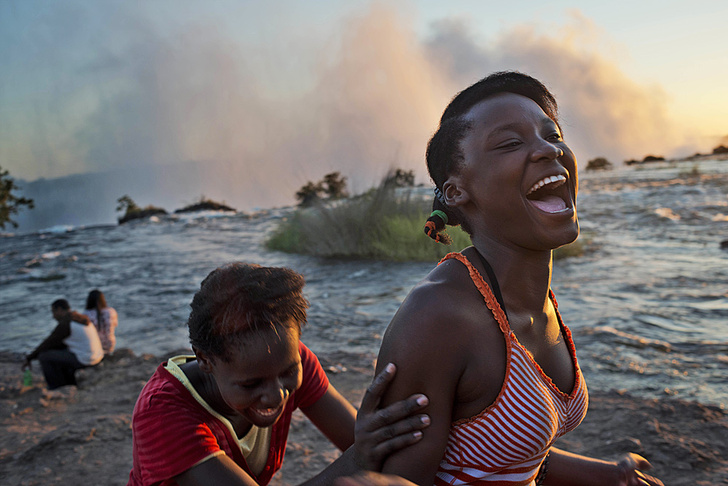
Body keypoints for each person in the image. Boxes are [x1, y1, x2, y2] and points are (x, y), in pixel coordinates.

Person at [372, 71, 664, 485]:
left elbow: (499, 454)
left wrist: (608, 477)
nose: (549, 150)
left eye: (553, 135)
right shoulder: (438, 317)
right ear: (456, 192)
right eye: (510, 143)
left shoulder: (533, 296)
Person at [128, 262, 431, 486]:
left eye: (289, 372)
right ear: (206, 360)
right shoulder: (162, 413)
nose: (276, 394)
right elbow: (362, 452)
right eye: (251, 384)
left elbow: (371, 445)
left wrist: (383, 431)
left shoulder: (287, 360)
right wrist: (358, 458)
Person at [23, 298, 104, 390]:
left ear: (60, 310)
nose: (53, 316)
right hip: (97, 356)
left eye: (54, 312)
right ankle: (68, 383)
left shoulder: (67, 323)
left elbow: (48, 343)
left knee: (44, 356)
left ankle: (55, 386)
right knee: (58, 353)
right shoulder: (79, 318)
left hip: (86, 359)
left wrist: (29, 358)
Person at [83, 289, 118, 354]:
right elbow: (114, 325)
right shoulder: (111, 312)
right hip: (109, 344)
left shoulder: (86, 314)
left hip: (94, 346)